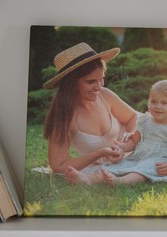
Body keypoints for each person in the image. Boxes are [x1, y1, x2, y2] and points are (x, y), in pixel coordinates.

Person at [42, 42, 138, 181]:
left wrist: (130, 137)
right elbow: (57, 166)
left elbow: (133, 117)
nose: (98, 87)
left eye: (101, 79)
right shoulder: (65, 117)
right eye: (91, 82)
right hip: (107, 164)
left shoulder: (105, 95)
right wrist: (100, 153)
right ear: (71, 83)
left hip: (133, 148)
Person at [65, 79, 167, 186]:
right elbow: (134, 141)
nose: (157, 106)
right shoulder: (145, 122)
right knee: (116, 167)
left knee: (140, 172)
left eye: (164, 103)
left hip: (158, 162)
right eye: (154, 101)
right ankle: (89, 179)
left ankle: (121, 182)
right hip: (138, 158)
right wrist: (122, 148)